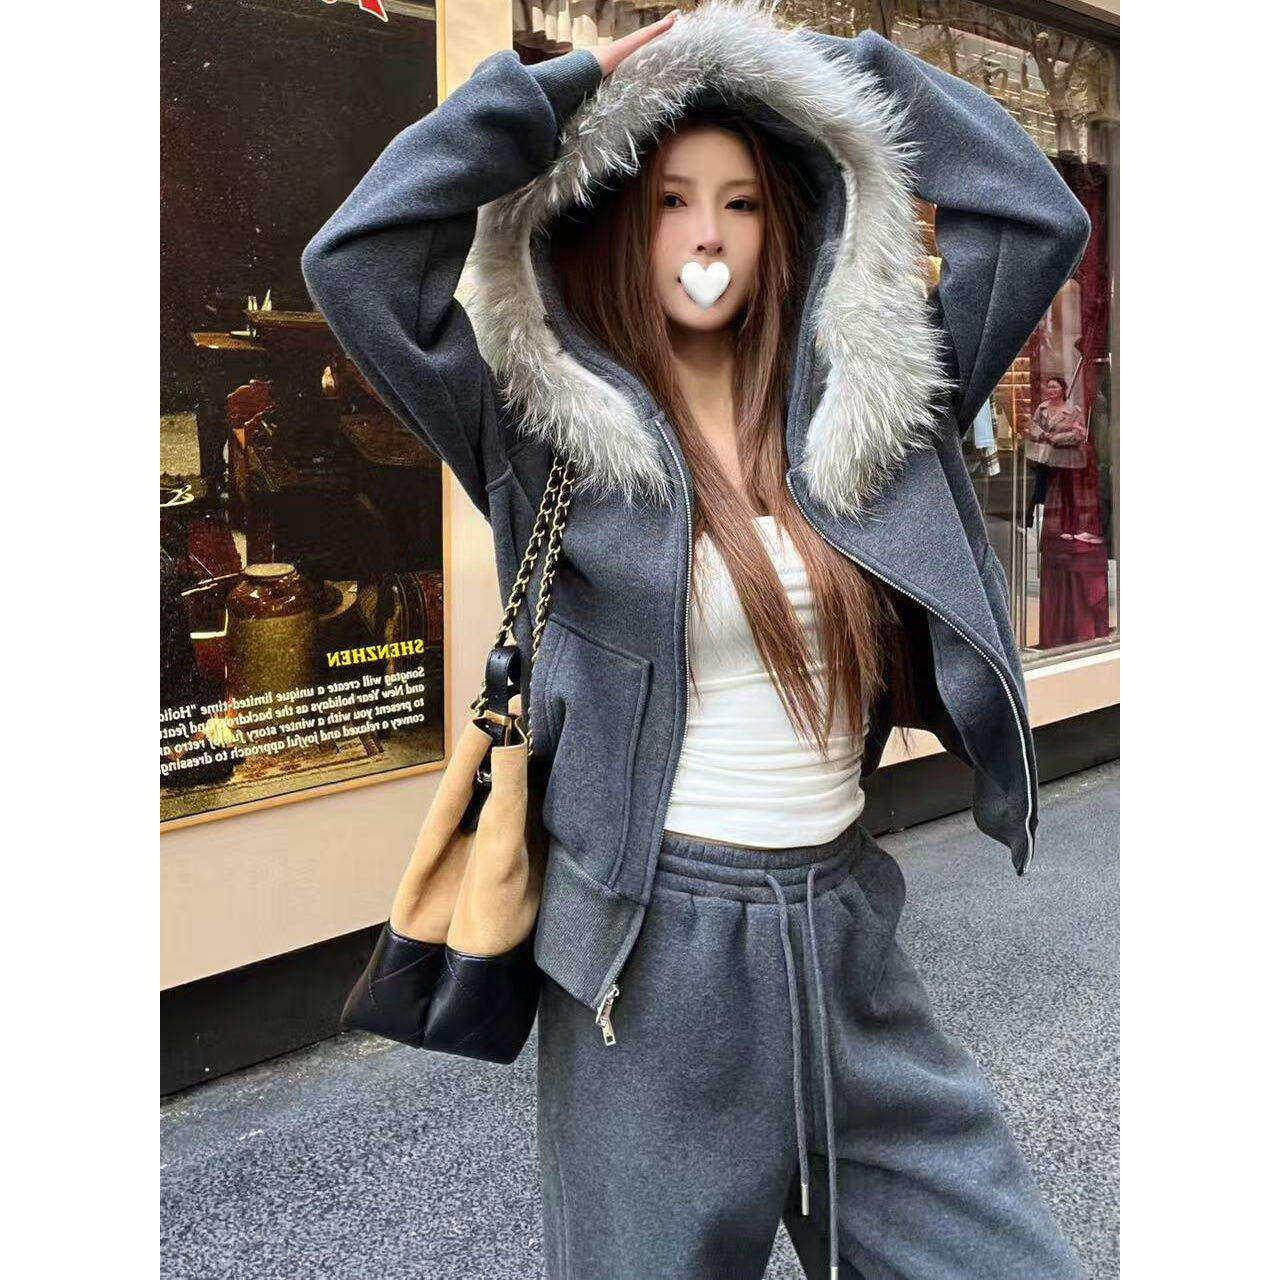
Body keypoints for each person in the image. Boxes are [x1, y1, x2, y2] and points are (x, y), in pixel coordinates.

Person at [301, 2, 1093, 1276]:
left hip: (844, 931)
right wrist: (555, 92)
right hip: (653, 962)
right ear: (623, 218)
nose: (708, 235)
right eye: (672, 200)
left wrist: (825, 75)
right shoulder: (545, 429)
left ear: (786, 225)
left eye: (740, 202)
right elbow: (357, 261)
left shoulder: (876, 404)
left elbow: (1033, 213)